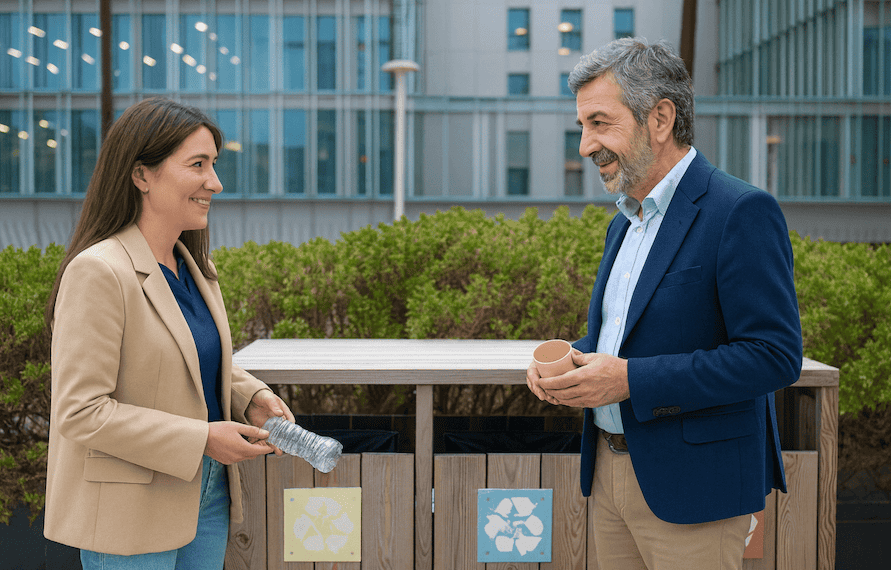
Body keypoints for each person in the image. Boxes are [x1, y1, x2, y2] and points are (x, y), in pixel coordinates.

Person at [526, 38, 803, 570]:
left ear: (660, 118)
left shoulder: (741, 211)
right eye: (583, 126)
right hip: (609, 479)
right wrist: (577, 364)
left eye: (600, 123)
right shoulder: (623, 221)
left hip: (696, 493)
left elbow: (773, 356)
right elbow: (630, 337)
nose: (585, 145)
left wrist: (628, 380)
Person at [43, 97, 297, 569]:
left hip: (207, 494)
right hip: (128, 509)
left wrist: (250, 395)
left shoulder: (196, 267)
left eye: (214, 165)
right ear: (142, 175)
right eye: (197, 164)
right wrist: (201, 437)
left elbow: (184, 357)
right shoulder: (99, 272)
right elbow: (80, 412)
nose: (215, 183)